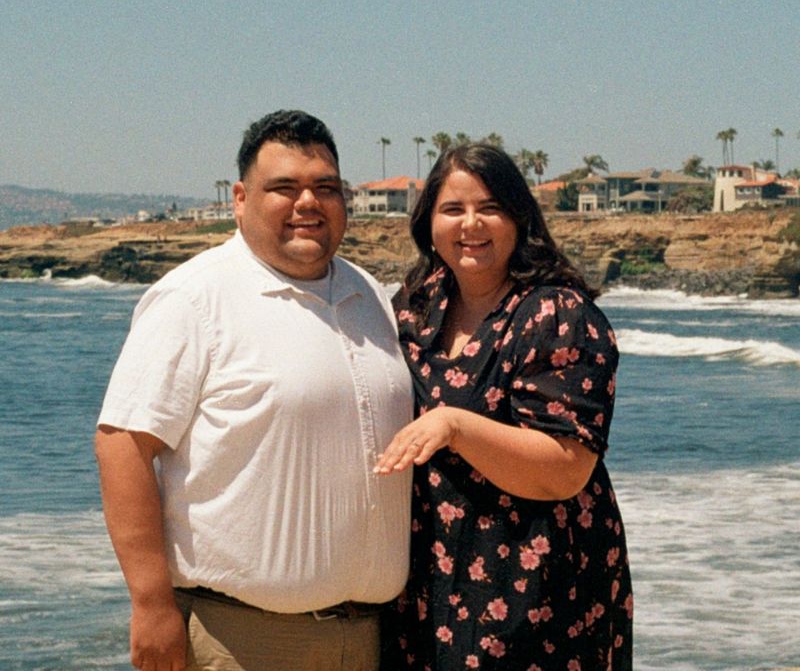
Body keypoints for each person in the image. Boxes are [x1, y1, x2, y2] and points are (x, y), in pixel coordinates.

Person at [95, 110, 413, 671]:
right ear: (240, 199)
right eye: (284, 188)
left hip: (368, 638)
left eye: (325, 188)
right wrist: (151, 604)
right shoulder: (195, 298)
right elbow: (123, 444)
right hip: (239, 640)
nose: (307, 203)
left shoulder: (369, 295)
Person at [376, 143, 633, 670]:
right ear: (429, 223)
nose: (471, 224)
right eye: (453, 209)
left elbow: (567, 469)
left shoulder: (557, 313)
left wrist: (455, 425)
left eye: (490, 207)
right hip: (429, 582)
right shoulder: (416, 306)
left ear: (519, 217)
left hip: (537, 593)